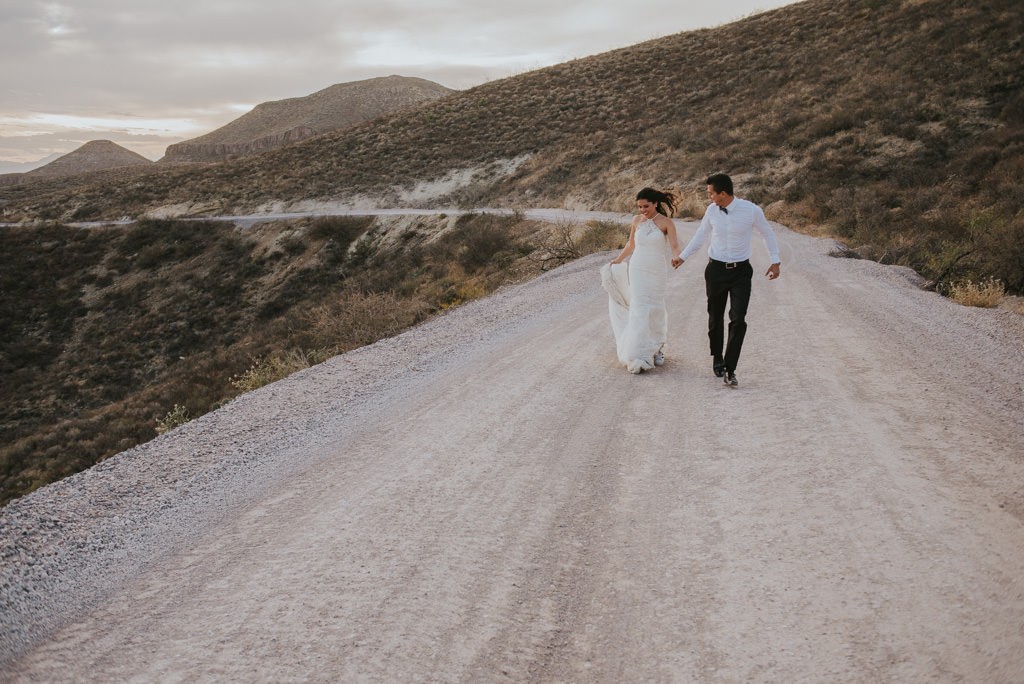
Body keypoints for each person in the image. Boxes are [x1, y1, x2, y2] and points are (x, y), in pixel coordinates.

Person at [671, 173, 780, 388]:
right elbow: (700, 236)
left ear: (723, 193)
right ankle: (717, 356)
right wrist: (682, 257)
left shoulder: (751, 210)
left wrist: (775, 261)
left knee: (738, 319)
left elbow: (768, 234)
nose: (708, 196)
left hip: (740, 272)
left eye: (711, 193)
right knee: (715, 318)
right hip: (716, 271)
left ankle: (731, 369)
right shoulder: (712, 210)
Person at [601, 187, 683, 374]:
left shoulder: (666, 223)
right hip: (637, 268)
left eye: (646, 206)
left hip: (656, 270)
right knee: (639, 307)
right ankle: (639, 351)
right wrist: (619, 259)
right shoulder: (636, 221)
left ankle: (658, 347)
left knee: (656, 306)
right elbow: (631, 244)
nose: (642, 210)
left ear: (655, 203)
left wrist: (677, 257)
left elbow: (675, 245)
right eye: (639, 207)